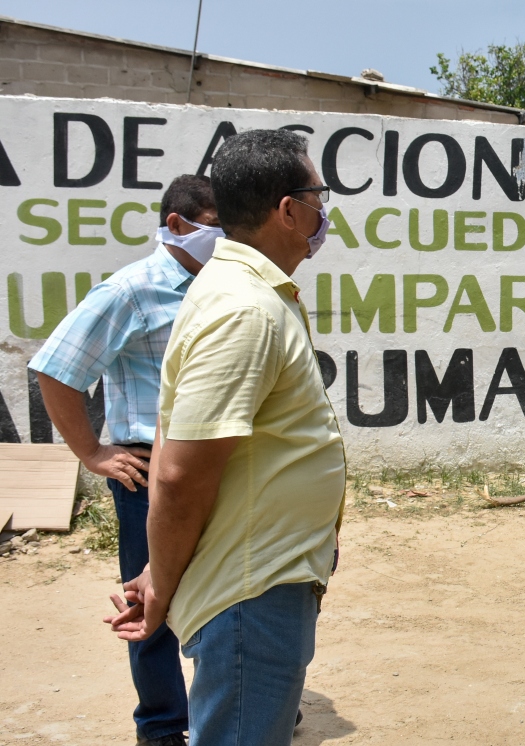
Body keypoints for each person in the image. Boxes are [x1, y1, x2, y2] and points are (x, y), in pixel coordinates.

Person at [104, 129, 345, 746]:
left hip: (262, 577)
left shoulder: (250, 294)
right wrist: (159, 579)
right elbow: (181, 472)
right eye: (319, 196)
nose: (325, 211)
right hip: (251, 591)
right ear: (288, 210)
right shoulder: (245, 308)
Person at [29, 174, 221, 746]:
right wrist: (92, 451)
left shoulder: (224, 286)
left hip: (219, 465)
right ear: (177, 226)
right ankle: (162, 724)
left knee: (229, 591)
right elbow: (57, 368)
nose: (226, 239)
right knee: (152, 598)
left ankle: (241, 705)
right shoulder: (131, 291)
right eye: (215, 228)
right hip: (148, 471)